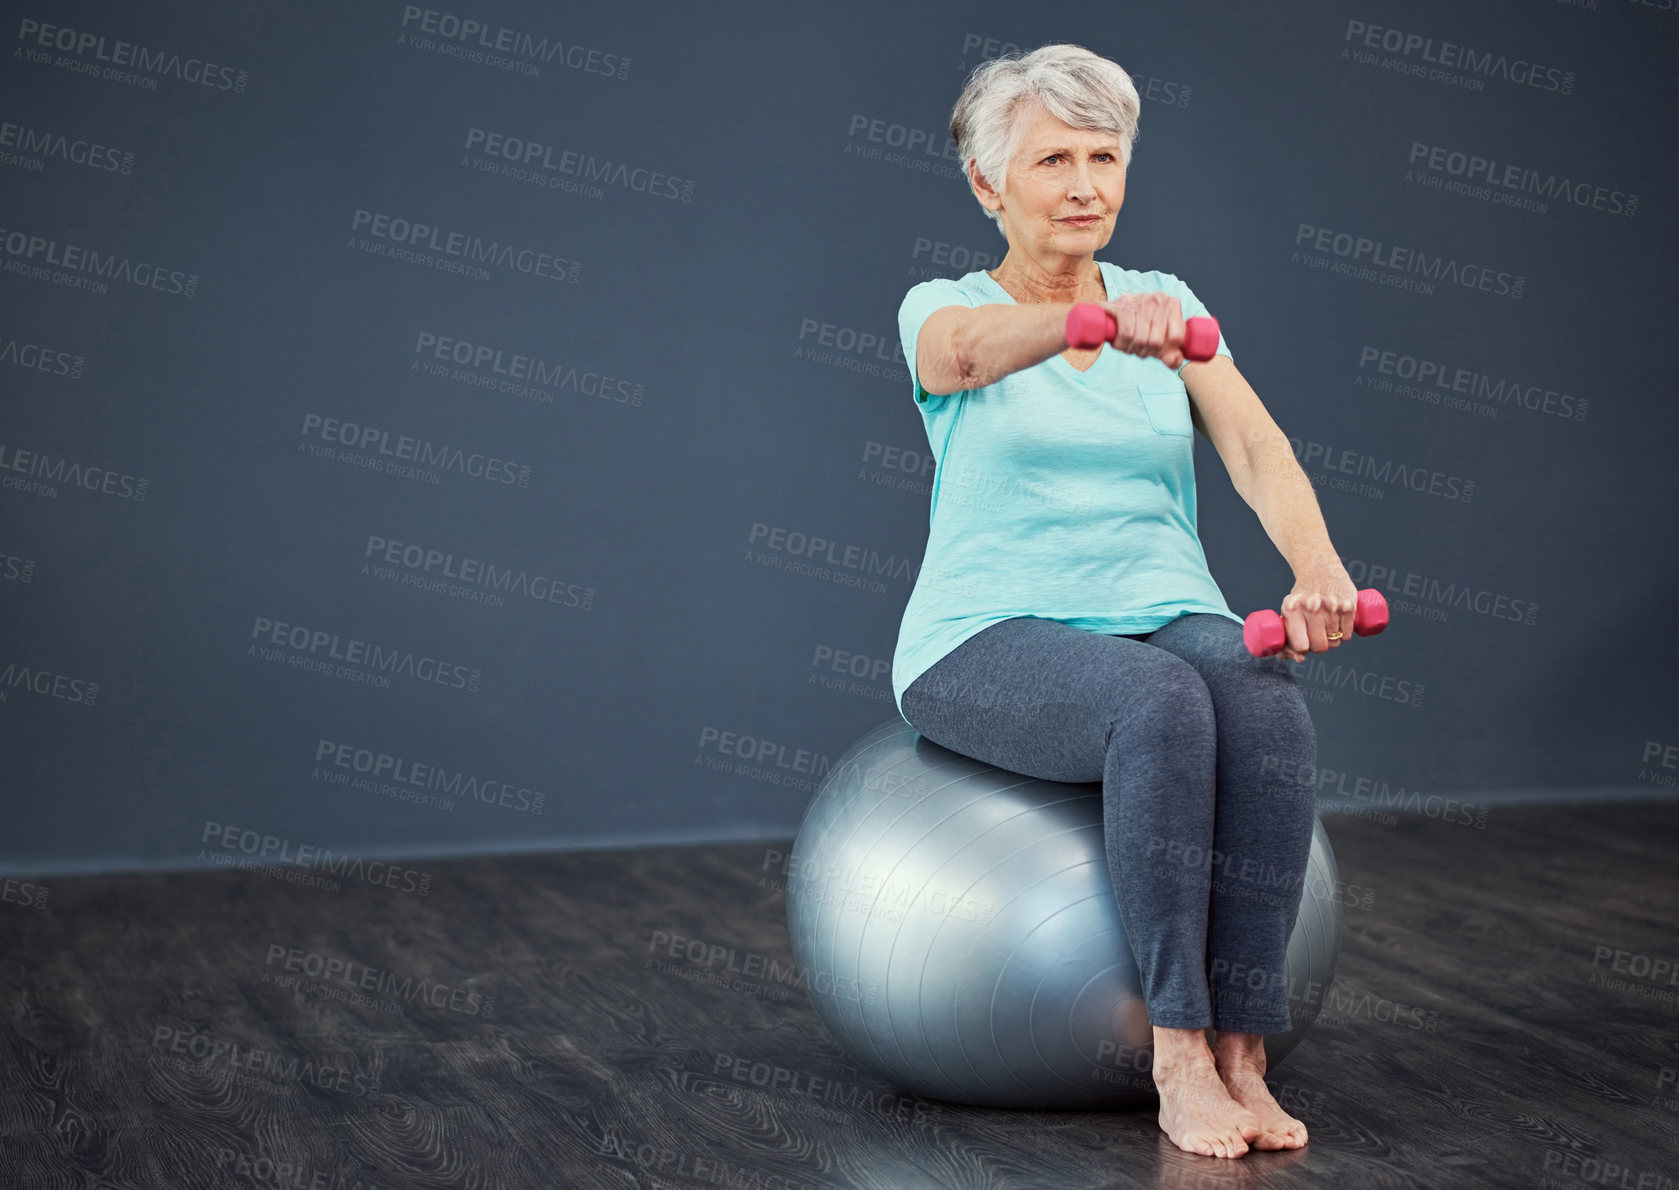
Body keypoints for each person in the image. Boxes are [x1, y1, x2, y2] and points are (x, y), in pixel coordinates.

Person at [892, 44, 1359, 1160]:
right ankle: (1178, 1055)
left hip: (1159, 603)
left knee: (1261, 697)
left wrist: (1315, 567)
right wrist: (1082, 325)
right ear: (985, 185)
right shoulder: (945, 304)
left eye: (1104, 155)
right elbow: (958, 356)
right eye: (1052, 157)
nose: (1085, 184)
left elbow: (1253, 444)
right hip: (982, 634)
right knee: (1154, 702)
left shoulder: (1171, 307)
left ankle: (1244, 1049)